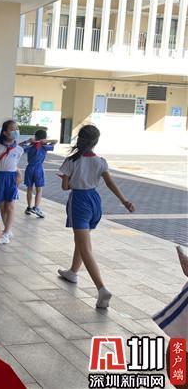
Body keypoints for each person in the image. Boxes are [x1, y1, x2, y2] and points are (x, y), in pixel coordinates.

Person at [57, 125, 134, 309]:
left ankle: (101, 289)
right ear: (96, 141)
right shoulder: (101, 161)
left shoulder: (71, 161)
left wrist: (71, 180)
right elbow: (110, 183)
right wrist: (124, 201)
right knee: (82, 240)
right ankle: (73, 271)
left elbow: (65, 187)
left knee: (85, 248)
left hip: (79, 202)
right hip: (95, 202)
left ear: (79, 139)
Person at [0, 120, 23, 245]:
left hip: (11, 178)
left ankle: (6, 233)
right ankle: (7, 228)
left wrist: (19, 174)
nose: (16, 131)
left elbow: (14, 164)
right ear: (5, 132)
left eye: (17, 128)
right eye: (12, 129)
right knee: (2, 205)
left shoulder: (19, 149)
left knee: (10, 206)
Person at [20, 129, 57, 218]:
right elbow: (55, 141)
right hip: (38, 168)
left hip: (29, 168)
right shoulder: (45, 146)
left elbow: (18, 147)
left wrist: (28, 141)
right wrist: (46, 141)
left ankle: (29, 207)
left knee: (29, 188)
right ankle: (36, 207)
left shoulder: (30, 146)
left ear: (35, 137)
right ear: (45, 137)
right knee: (39, 189)